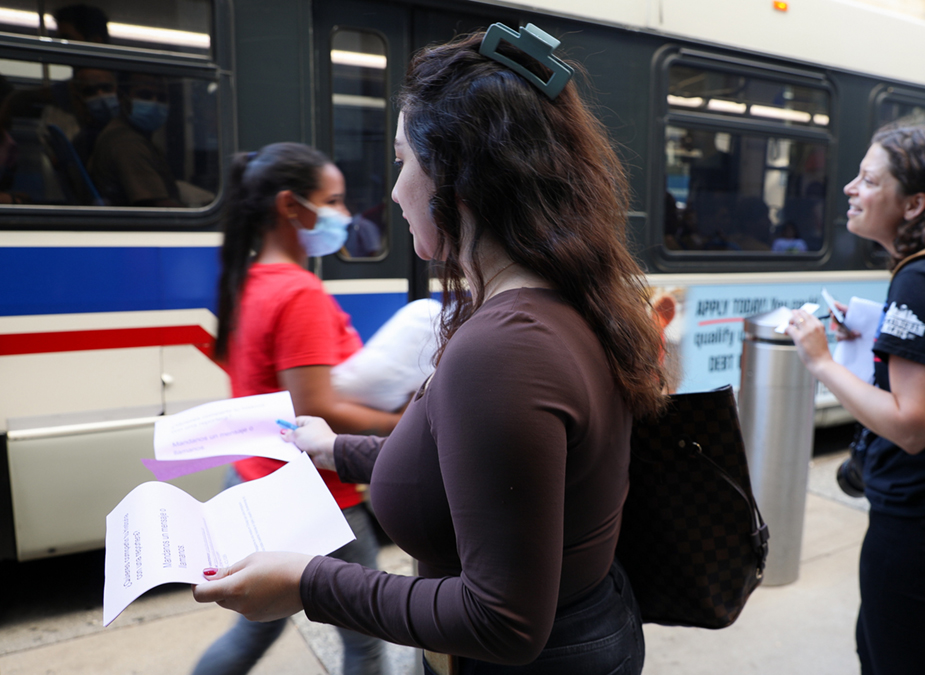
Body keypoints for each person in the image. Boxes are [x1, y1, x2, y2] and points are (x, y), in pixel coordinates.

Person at [192, 27, 666, 675]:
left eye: (401, 161)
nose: (393, 192)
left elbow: (500, 620)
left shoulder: (502, 350)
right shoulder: (561, 301)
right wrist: (334, 445)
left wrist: (307, 581)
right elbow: (472, 465)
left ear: (455, 172)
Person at [785, 124, 925, 674]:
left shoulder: (922, 281)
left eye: (868, 179)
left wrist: (821, 361)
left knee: (890, 662)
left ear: (914, 204)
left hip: (923, 523)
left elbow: (912, 425)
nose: (849, 190)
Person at [190, 142, 402, 675]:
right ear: (290, 206)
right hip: (314, 497)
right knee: (367, 639)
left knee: (251, 632)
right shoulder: (300, 292)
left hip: (251, 480)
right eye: (334, 201)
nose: (345, 216)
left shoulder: (249, 280)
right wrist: (403, 427)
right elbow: (313, 410)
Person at [87, 71, 183, 207]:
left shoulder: (136, 137)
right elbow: (161, 207)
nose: (154, 103)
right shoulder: (127, 143)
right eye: (145, 95)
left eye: (161, 98)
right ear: (121, 97)